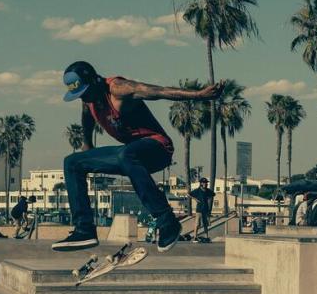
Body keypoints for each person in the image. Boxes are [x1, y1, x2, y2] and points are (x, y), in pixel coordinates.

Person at [53, 61, 222, 251]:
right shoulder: (88, 100)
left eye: (86, 93)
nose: (86, 99)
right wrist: (87, 144)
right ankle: (84, 230)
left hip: (158, 149)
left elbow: (159, 92)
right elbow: (87, 118)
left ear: (95, 81)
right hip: (130, 156)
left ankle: (167, 221)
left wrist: (199, 95)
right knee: (72, 162)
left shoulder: (118, 89)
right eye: (81, 96)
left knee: (126, 154)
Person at [189, 177, 215, 242]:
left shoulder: (208, 190)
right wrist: (195, 199)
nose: (206, 184)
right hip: (199, 210)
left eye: (206, 183)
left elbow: (213, 194)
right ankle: (195, 237)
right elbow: (189, 194)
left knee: (205, 224)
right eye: (204, 183)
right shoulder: (197, 190)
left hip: (205, 210)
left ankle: (206, 237)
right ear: (201, 183)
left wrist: (208, 198)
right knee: (197, 224)